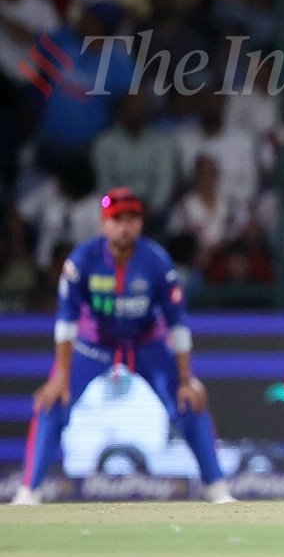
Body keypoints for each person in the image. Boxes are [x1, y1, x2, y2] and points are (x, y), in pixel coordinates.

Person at [11, 189, 234, 505]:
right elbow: (66, 323)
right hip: (94, 345)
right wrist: (60, 376)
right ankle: (28, 491)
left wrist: (187, 378)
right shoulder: (82, 261)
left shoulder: (156, 262)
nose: (124, 227)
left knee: (190, 402)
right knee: (52, 403)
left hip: (147, 345)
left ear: (141, 223)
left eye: (131, 219)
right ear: (104, 224)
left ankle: (218, 490)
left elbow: (178, 323)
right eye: (116, 220)